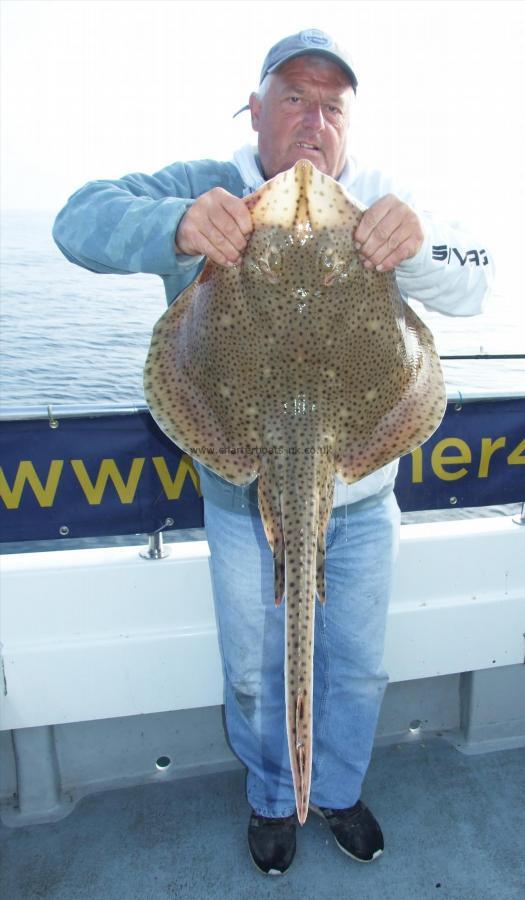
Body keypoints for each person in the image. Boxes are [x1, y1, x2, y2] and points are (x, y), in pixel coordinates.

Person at [53, 29, 493, 876]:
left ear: (349, 127)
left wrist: (421, 240)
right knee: (257, 668)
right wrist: (174, 225)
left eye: (332, 106)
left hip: (358, 487)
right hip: (239, 488)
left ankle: (333, 789)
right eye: (294, 98)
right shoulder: (202, 185)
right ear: (253, 110)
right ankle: (270, 799)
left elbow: (475, 277)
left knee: (357, 666)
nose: (312, 121)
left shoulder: (378, 197)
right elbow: (79, 220)